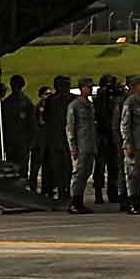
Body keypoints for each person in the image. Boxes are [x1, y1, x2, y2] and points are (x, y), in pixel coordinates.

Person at [62, 82, 99, 214]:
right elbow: (70, 127)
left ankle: (79, 201)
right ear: (82, 88)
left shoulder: (89, 104)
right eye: (87, 87)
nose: (89, 89)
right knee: (78, 174)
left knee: (86, 173)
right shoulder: (75, 105)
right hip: (81, 145)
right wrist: (73, 146)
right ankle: (75, 202)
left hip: (90, 144)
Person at [119, 75, 140, 214]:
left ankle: (137, 201)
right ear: (135, 86)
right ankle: (133, 202)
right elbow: (125, 124)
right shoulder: (130, 102)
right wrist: (127, 143)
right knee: (132, 174)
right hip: (135, 144)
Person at [1, 76, 36, 191]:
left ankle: (16, 188)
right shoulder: (24, 102)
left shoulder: (11, 102)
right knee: (19, 166)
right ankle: (18, 188)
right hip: (18, 140)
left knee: (17, 165)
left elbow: (31, 122)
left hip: (17, 140)